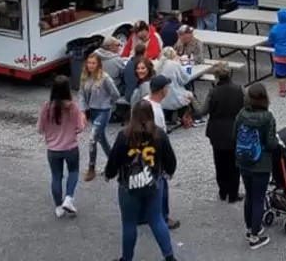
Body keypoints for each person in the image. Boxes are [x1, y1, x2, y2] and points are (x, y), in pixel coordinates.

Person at [105, 100, 179, 261]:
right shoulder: (159, 134)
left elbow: (114, 160)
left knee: (129, 224)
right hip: (153, 184)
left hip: (128, 185)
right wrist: (168, 172)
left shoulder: (124, 135)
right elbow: (171, 161)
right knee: (157, 219)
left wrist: (109, 174)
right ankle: (169, 257)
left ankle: (126, 258)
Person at [234, 83, 277, 249]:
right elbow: (271, 143)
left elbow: (234, 135)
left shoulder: (241, 115)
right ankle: (254, 236)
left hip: (243, 161)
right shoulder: (267, 117)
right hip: (261, 163)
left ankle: (250, 228)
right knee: (259, 198)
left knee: (250, 196)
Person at [37, 75, 86, 217]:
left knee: (56, 176)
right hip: (71, 147)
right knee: (74, 171)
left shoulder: (46, 108)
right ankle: (69, 198)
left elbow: (40, 129)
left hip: (53, 149)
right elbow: (80, 127)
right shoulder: (73, 107)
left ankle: (58, 206)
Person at [201, 62, 244, 203]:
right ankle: (233, 193)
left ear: (216, 76)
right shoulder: (240, 90)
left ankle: (223, 191)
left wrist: (191, 100)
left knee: (219, 162)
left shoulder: (213, 93)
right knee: (234, 164)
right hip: (234, 130)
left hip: (216, 131)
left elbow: (201, 112)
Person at [143, 74, 181, 229]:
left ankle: (143, 214)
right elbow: (161, 138)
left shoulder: (143, 102)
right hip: (155, 154)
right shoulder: (157, 111)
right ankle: (163, 217)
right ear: (163, 90)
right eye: (167, 87)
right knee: (161, 186)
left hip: (142, 151)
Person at [79, 52, 120, 182]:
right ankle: (115, 162)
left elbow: (116, 94)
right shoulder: (85, 76)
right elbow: (81, 94)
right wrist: (82, 111)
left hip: (103, 111)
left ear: (99, 64)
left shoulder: (105, 78)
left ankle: (92, 167)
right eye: (89, 63)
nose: (91, 65)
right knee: (101, 139)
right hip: (93, 111)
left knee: (92, 139)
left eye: (93, 63)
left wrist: (108, 104)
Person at [155, 47, 196, 123]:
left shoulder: (157, 65)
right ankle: (195, 115)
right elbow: (185, 80)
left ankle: (169, 116)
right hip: (174, 98)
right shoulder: (174, 64)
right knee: (188, 92)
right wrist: (184, 66)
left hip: (159, 98)